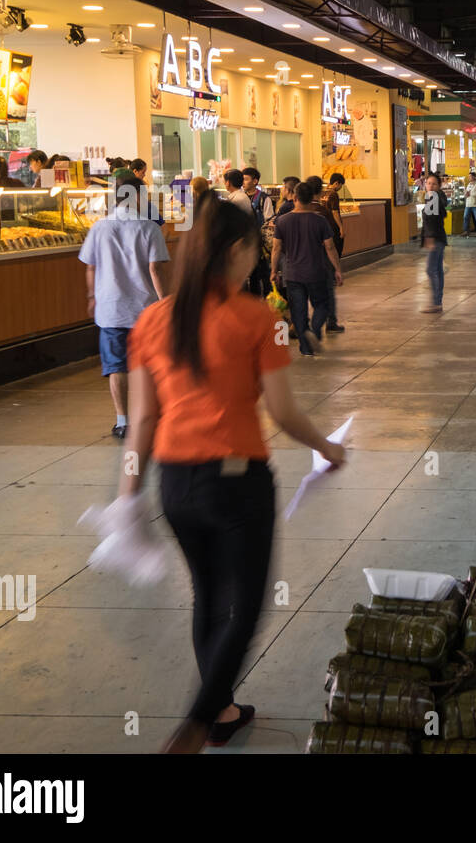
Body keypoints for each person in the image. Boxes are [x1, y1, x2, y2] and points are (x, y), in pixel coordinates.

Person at [121, 196, 345, 753]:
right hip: (237, 483)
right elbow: (283, 411)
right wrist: (326, 447)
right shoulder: (258, 319)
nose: (260, 257)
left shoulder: (152, 320)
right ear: (237, 250)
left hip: (175, 484)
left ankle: (220, 712)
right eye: (257, 248)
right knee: (244, 608)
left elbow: (142, 419)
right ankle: (195, 725)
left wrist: (127, 496)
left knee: (206, 595)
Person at [79, 173, 170, 439]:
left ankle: (122, 422)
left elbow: (90, 266)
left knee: (116, 366)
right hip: (146, 309)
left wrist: (92, 297)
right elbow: (155, 270)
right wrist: (165, 302)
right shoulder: (149, 227)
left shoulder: (99, 227)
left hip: (111, 309)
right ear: (138, 197)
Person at [271, 182, 342, 356]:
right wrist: (337, 269)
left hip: (292, 273)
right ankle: (314, 330)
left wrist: (273, 270)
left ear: (294, 198)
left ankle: (305, 348)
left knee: (298, 312)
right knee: (322, 305)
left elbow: (276, 248)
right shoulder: (320, 220)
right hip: (317, 271)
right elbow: (330, 247)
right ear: (312, 199)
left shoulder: (282, 220)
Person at [304, 175, 344, 333]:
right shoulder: (322, 212)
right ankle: (330, 321)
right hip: (322, 260)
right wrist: (337, 268)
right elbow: (329, 245)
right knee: (327, 290)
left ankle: (302, 322)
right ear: (320, 191)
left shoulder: (297, 212)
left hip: (301, 260)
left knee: (303, 293)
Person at [420, 173, 446, 314]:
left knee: (431, 270)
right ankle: (438, 301)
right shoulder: (438, 197)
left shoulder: (433, 198)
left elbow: (431, 221)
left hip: (435, 239)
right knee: (438, 270)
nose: (430, 185)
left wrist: (429, 239)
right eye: (428, 183)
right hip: (439, 237)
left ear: (439, 186)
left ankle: (436, 302)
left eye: (433, 183)